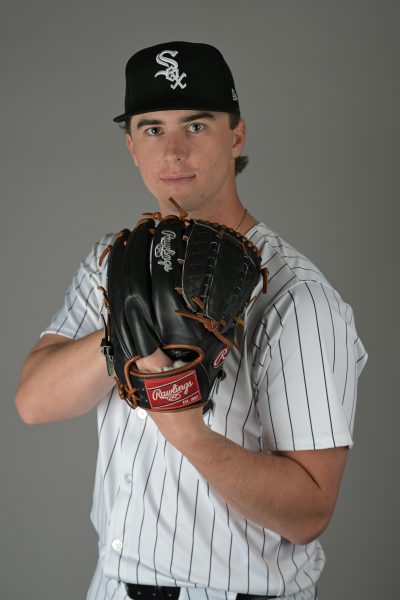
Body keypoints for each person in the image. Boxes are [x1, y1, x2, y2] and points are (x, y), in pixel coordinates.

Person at [15, 41, 368, 600]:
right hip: (109, 588)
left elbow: (309, 512)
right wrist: (130, 324)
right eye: (152, 128)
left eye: (197, 125)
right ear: (131, 145)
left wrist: (185, 429)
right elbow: (35, 401)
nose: (173, 151)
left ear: (237, 135)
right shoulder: (113, 262)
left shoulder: (298, 297)